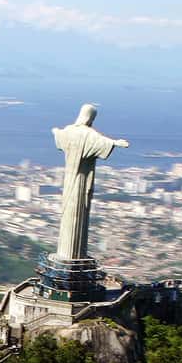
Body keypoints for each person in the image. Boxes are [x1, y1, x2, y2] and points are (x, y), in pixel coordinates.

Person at [52, 104, 129, 261]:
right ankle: (71, 259)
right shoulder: (87, 134)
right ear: (90, 118)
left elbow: (60, 136)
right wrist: (115, 143)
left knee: (70, 214)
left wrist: (56, 131)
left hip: (68, 181)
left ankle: (68, 257)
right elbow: (101, 142)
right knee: (78, 214)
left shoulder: (69, 130)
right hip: (81, 181)